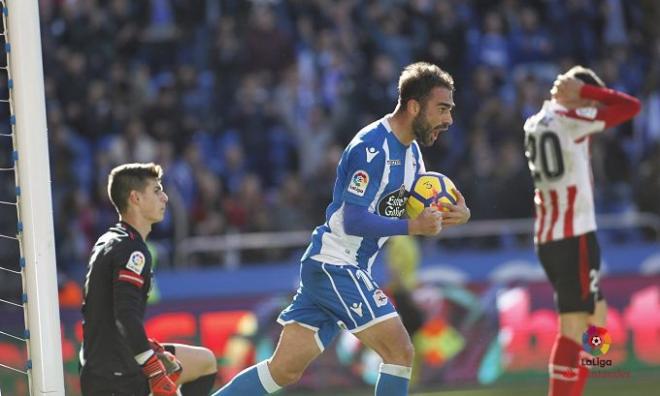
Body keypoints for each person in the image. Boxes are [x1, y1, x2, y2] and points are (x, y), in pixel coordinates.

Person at [213, 62, 471, 396]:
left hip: (339, 267)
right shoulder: (371, 147)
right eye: (442, 109)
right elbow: (355, 219)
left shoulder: (414, 157)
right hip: (337, 263)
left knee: (283, 370)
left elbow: (422, 208)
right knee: (400, 351)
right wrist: (413, 226)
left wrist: (456, 214)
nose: (448, 120)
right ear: (413, 106)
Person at [523, 66, 641, 396]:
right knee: (573, 327)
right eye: (589, 101)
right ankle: (567, 386)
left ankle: (581, 377)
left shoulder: (533, 122)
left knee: (597, 317)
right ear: (576, 94)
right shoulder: (569, 120)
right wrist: (586, 93)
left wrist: (578, 94)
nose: (594, 111)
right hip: (574, 235)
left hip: (549, 236)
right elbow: (631, 107)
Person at [79, 163, 218, 396]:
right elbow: (124, 314)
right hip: (115, 375)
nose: (164, 197)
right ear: (135, 198)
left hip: (104, 362)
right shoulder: (132, 250)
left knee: (205, 362)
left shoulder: (110, 239)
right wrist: (151, 365)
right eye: (156, 190)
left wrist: (144, 348)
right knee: (203, 364)